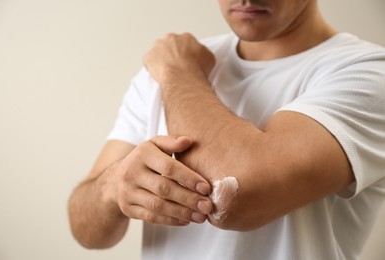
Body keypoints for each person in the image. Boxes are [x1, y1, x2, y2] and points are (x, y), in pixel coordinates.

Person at [68, 0, 385, 259]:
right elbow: (88, 232)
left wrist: (179, 73)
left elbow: (237, 201)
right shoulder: (170, 65)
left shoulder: (369, 74)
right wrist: (112, 187)